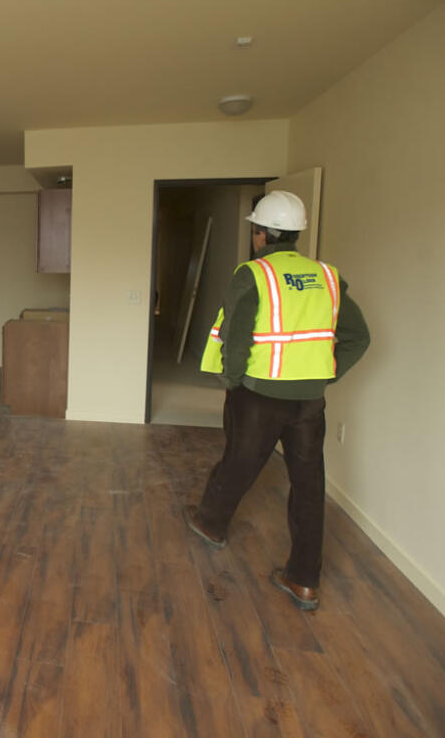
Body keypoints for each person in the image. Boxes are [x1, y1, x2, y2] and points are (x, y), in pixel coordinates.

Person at [183, 190, 369, 611]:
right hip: (309, 401)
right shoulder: (327, 278)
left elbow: (237, 334)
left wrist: (233, 381)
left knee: (239, 462)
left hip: (259, 393)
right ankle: (304, 580)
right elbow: (360, 336)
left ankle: (211, 524)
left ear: (261, 234)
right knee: (308, 485)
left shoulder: (254, 275)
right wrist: (325, 374)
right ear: (296, 234)